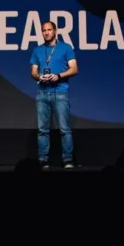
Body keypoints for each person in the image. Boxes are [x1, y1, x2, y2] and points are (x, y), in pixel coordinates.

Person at [29, 21, 78, 169]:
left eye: (49, 30)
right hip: (42, 94)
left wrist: (59, 76)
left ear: (55, 31)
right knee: (42, 130)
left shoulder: (66, 48)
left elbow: (74, 68)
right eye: (44, 30)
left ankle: (68, 160)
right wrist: (39, 77)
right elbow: (33, 71)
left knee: (65, 129)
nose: (46, 33)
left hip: (60, 92)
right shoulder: (37, 50)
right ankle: (43, 160)